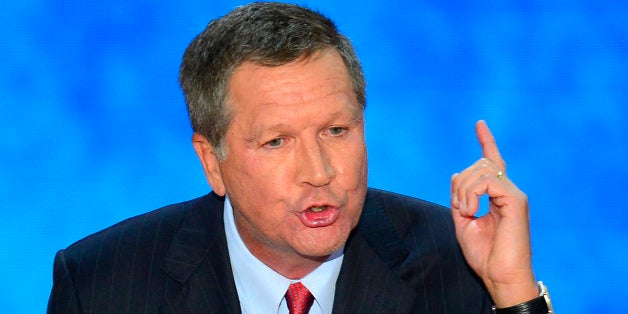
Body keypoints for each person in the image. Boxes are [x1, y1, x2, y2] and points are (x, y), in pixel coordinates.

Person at [48, 2, 552, 313]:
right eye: (276, 141)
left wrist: (512, 291)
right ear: (211, 161)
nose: (320, 172)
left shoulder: (458, 265)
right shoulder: (102, 285)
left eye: (336, 131)